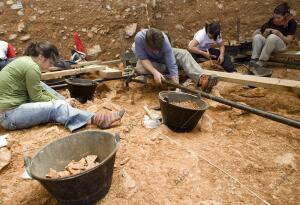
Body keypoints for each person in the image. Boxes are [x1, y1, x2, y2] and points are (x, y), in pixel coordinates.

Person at [0, 41, 125, 132]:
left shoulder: (26, 61)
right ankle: (96, 119)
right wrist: (58, 102)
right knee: (56, 107)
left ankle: (65, 104)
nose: (50, 66)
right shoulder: (32, 67)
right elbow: (36, 96)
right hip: (9, 116)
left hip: (11, 110)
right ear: (41, 57)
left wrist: (61, 99)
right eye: (50, 62)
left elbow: (38, 89)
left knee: (41, 85)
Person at [133, 28, 218, 93]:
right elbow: (143, 59)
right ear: (147, 43)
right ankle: (163, 72)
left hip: (165, 58)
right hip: (151, 61)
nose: (157, 51)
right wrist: (155, 72)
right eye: (154, 49)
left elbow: (172, 64)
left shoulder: (164, 40)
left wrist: (177, 87)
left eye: (159, 48)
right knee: (140, 67)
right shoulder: (139, 38)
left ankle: (201, 79)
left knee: (184, 54)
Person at [250, 2, 297, 68]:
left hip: (281, 46)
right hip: (269, 46)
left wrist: (279, 34)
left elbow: (288, 41)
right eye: (274, 17)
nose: (276, 20)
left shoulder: (291, 23)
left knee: (272, 37)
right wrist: (265, 34)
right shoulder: (272, 21)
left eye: (278, 18)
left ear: (285, 16)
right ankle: (254, 59)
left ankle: (262, 61)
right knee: (257, 37)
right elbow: (262, 37)